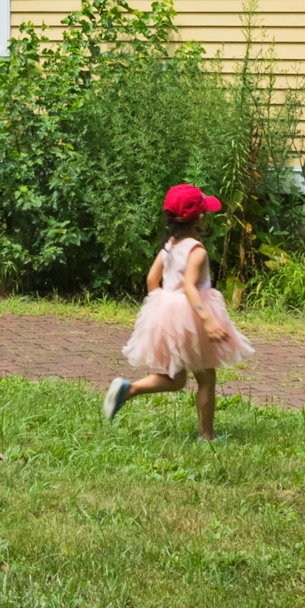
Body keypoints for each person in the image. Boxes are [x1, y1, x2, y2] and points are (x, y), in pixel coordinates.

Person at [102, 185, 254, 442]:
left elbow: (152, 280)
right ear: (200, 217)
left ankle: (129, 389)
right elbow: (189, 287)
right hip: (192, 317)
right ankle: (206, 436)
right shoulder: (197, 250)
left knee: (173, 379)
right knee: (206, 377)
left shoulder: (169, 246)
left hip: (168, 314)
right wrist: (207, 320)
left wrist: (159, 309)